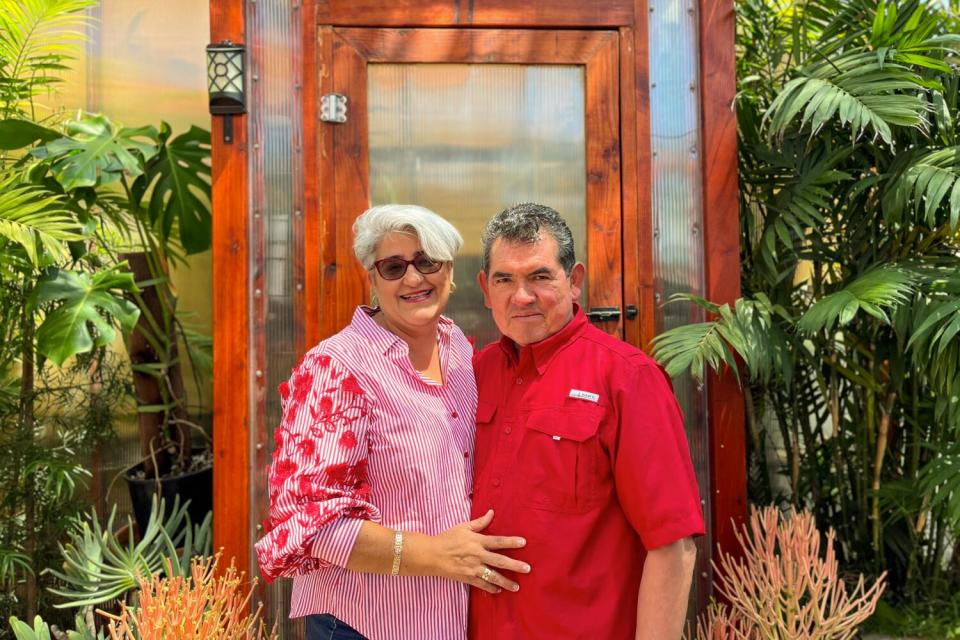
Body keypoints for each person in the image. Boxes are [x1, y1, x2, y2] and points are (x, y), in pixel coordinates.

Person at [255, 205, 530, 640]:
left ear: (449, 270)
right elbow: (309, 523)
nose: (414, 278)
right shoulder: (336, 367)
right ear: (372, 278)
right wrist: (435, 554)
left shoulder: (456, 345)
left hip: (450, 616)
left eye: (426, 261)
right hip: (366, 623)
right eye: (394, 266)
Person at [469, 203, 704, 639]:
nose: (521, 296)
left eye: (539, 276)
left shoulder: (627, 378)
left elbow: (672, 546)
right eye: (505, 279)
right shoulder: (473, 375)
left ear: (574, 281)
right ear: (485, 289)